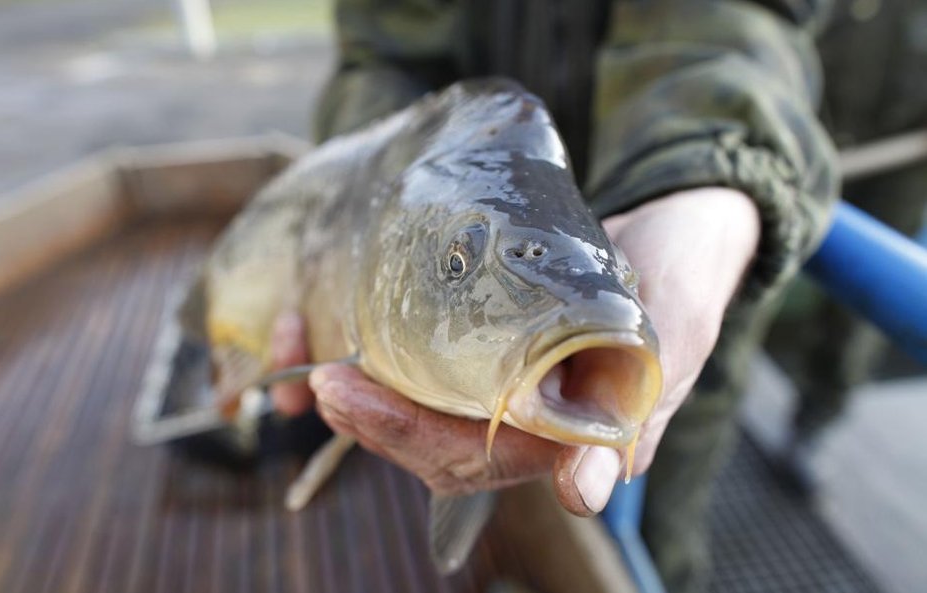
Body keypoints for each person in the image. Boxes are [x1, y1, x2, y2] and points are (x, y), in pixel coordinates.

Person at [272, 2, 839, 592]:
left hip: (671, 267)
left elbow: (738, 22)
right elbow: (381, 58)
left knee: (660, 538)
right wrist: (382, 192)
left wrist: (711, 185)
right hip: (433, 199)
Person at [769, 0, 927, 495]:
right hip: (803, 134)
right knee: (754, 273)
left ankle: (812, 425)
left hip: (902, 162)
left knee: (859, 317)